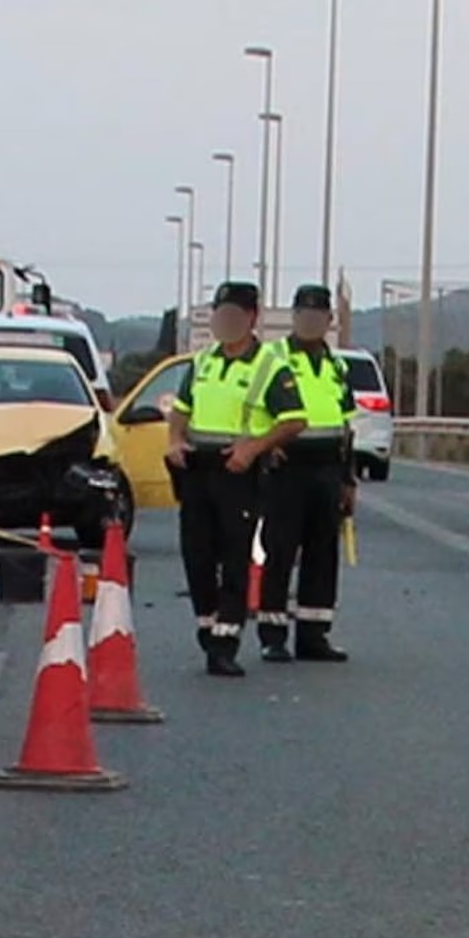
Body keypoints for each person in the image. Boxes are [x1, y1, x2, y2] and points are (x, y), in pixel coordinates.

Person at [166, 282, 308, 677]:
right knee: (196, 553)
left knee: (234, 556)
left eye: (234, 315)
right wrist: (175, 440)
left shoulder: (270, 367)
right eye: (220, 314)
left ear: (251, 319)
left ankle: (225, 642)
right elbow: (180, 410)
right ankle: (208, 625)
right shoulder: (201, 363)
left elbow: (295, 420)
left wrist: (254, 447)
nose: (225, 322)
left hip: (238, 471)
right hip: (198, 469)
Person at [257, 285, 357, 663]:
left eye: (318, 316)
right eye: (304, 316)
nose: (311, 322)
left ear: (329, 321)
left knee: (322, 552)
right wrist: (266, 445)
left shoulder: (336, 365)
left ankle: (313, 635)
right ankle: (273, 634)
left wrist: (348, 479)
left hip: (327, 467)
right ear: (295, 318)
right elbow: (251, 410)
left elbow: (347, 425)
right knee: (281, 550)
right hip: (286, 467)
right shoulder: (273, 359)